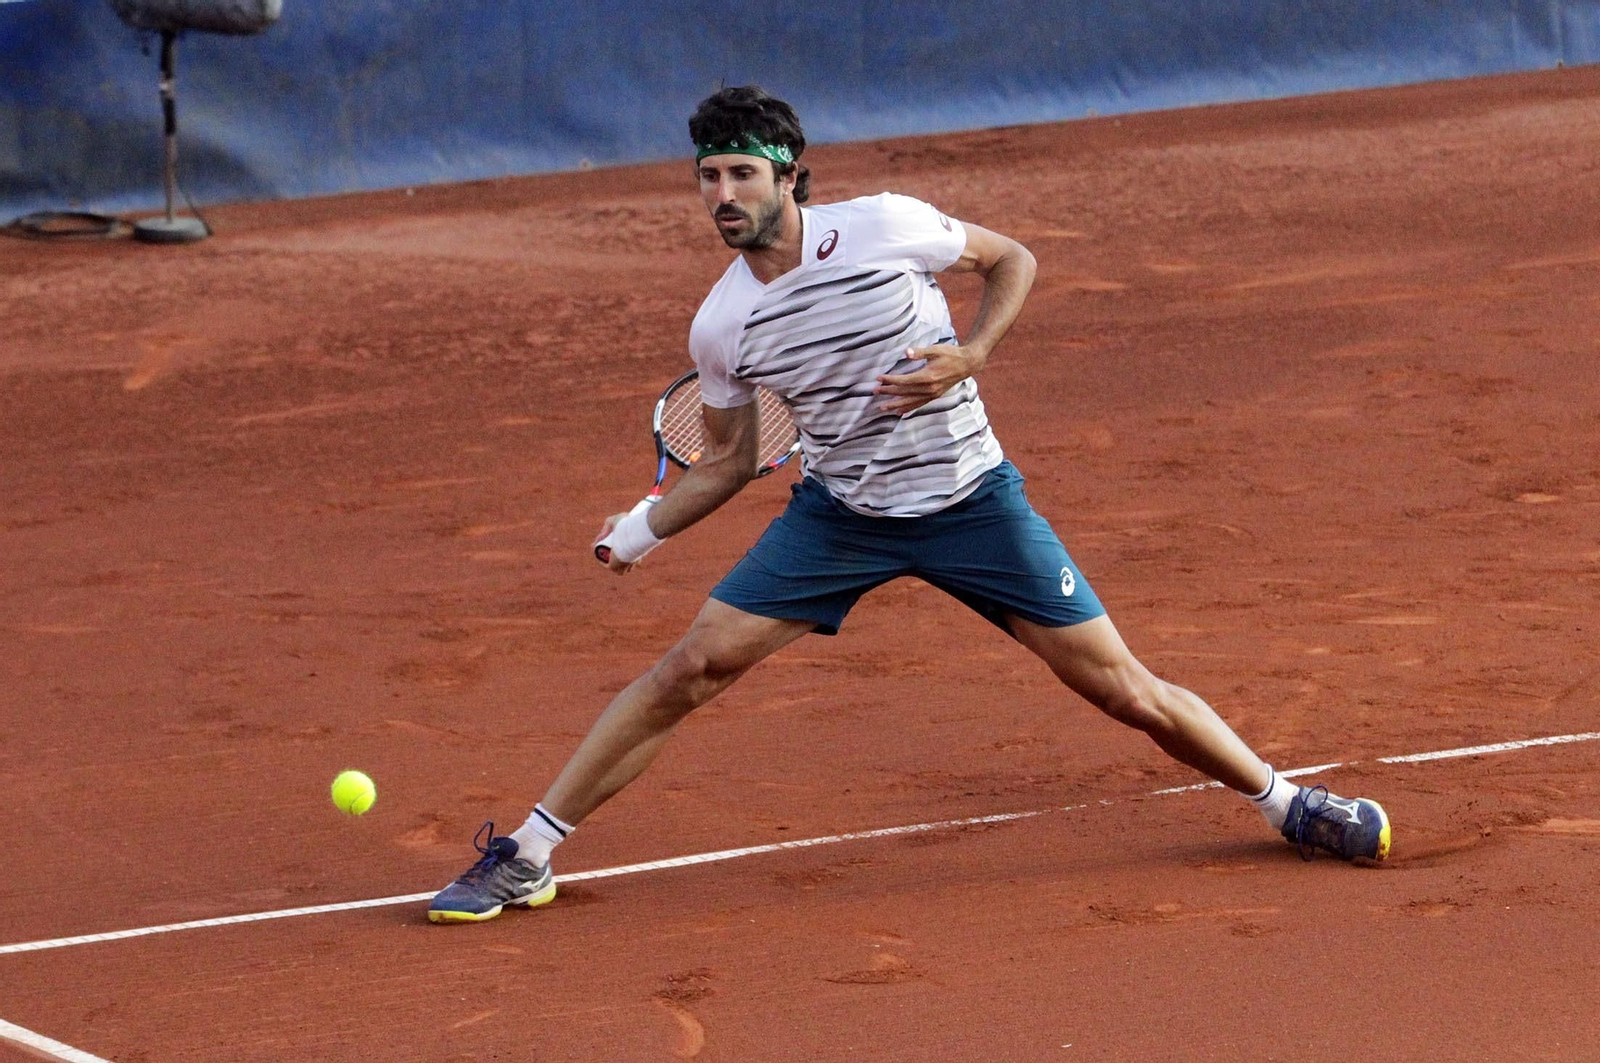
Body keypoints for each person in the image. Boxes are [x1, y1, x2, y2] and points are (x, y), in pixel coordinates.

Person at [426, 86, 1390, 924]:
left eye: (741, 176)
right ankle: (528, 853)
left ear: (789, 177)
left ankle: (1286, 802)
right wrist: (635, 533)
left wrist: (972, 355)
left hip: (972, 500)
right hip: (838, 519)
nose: (722, 197)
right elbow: (726, 463)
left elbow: (1012, 258)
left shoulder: (887, 224)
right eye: (707, 177)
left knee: (1120, 689)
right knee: (690, 667)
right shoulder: (722, 324)